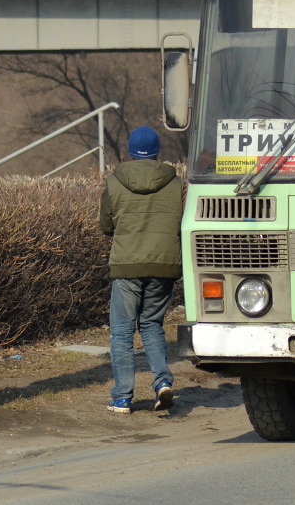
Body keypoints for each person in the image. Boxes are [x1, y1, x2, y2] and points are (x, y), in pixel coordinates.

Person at [100, 126, 184, 414]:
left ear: (129, 152)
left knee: (122, 333)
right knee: (151, 326)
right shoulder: (177, 183)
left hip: (127, 264)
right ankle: (162, 381)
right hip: (164, 264)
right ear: (158, 152)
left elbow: (106, 226)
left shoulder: (114, 181)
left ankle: (122, 397)